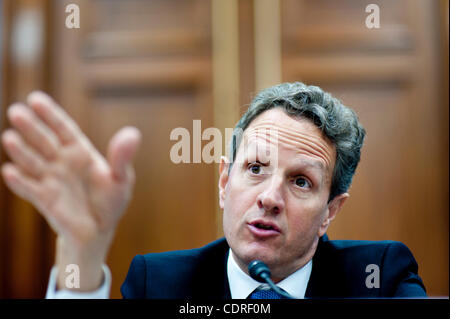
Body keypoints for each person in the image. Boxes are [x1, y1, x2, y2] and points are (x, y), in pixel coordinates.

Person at [1, 82, 426, 299]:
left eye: (301, 181)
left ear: (330, 211)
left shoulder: (379, 277)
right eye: (255, 168)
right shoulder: (160, 283)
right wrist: (81, 250)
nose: (270, 198)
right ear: (225, 182)